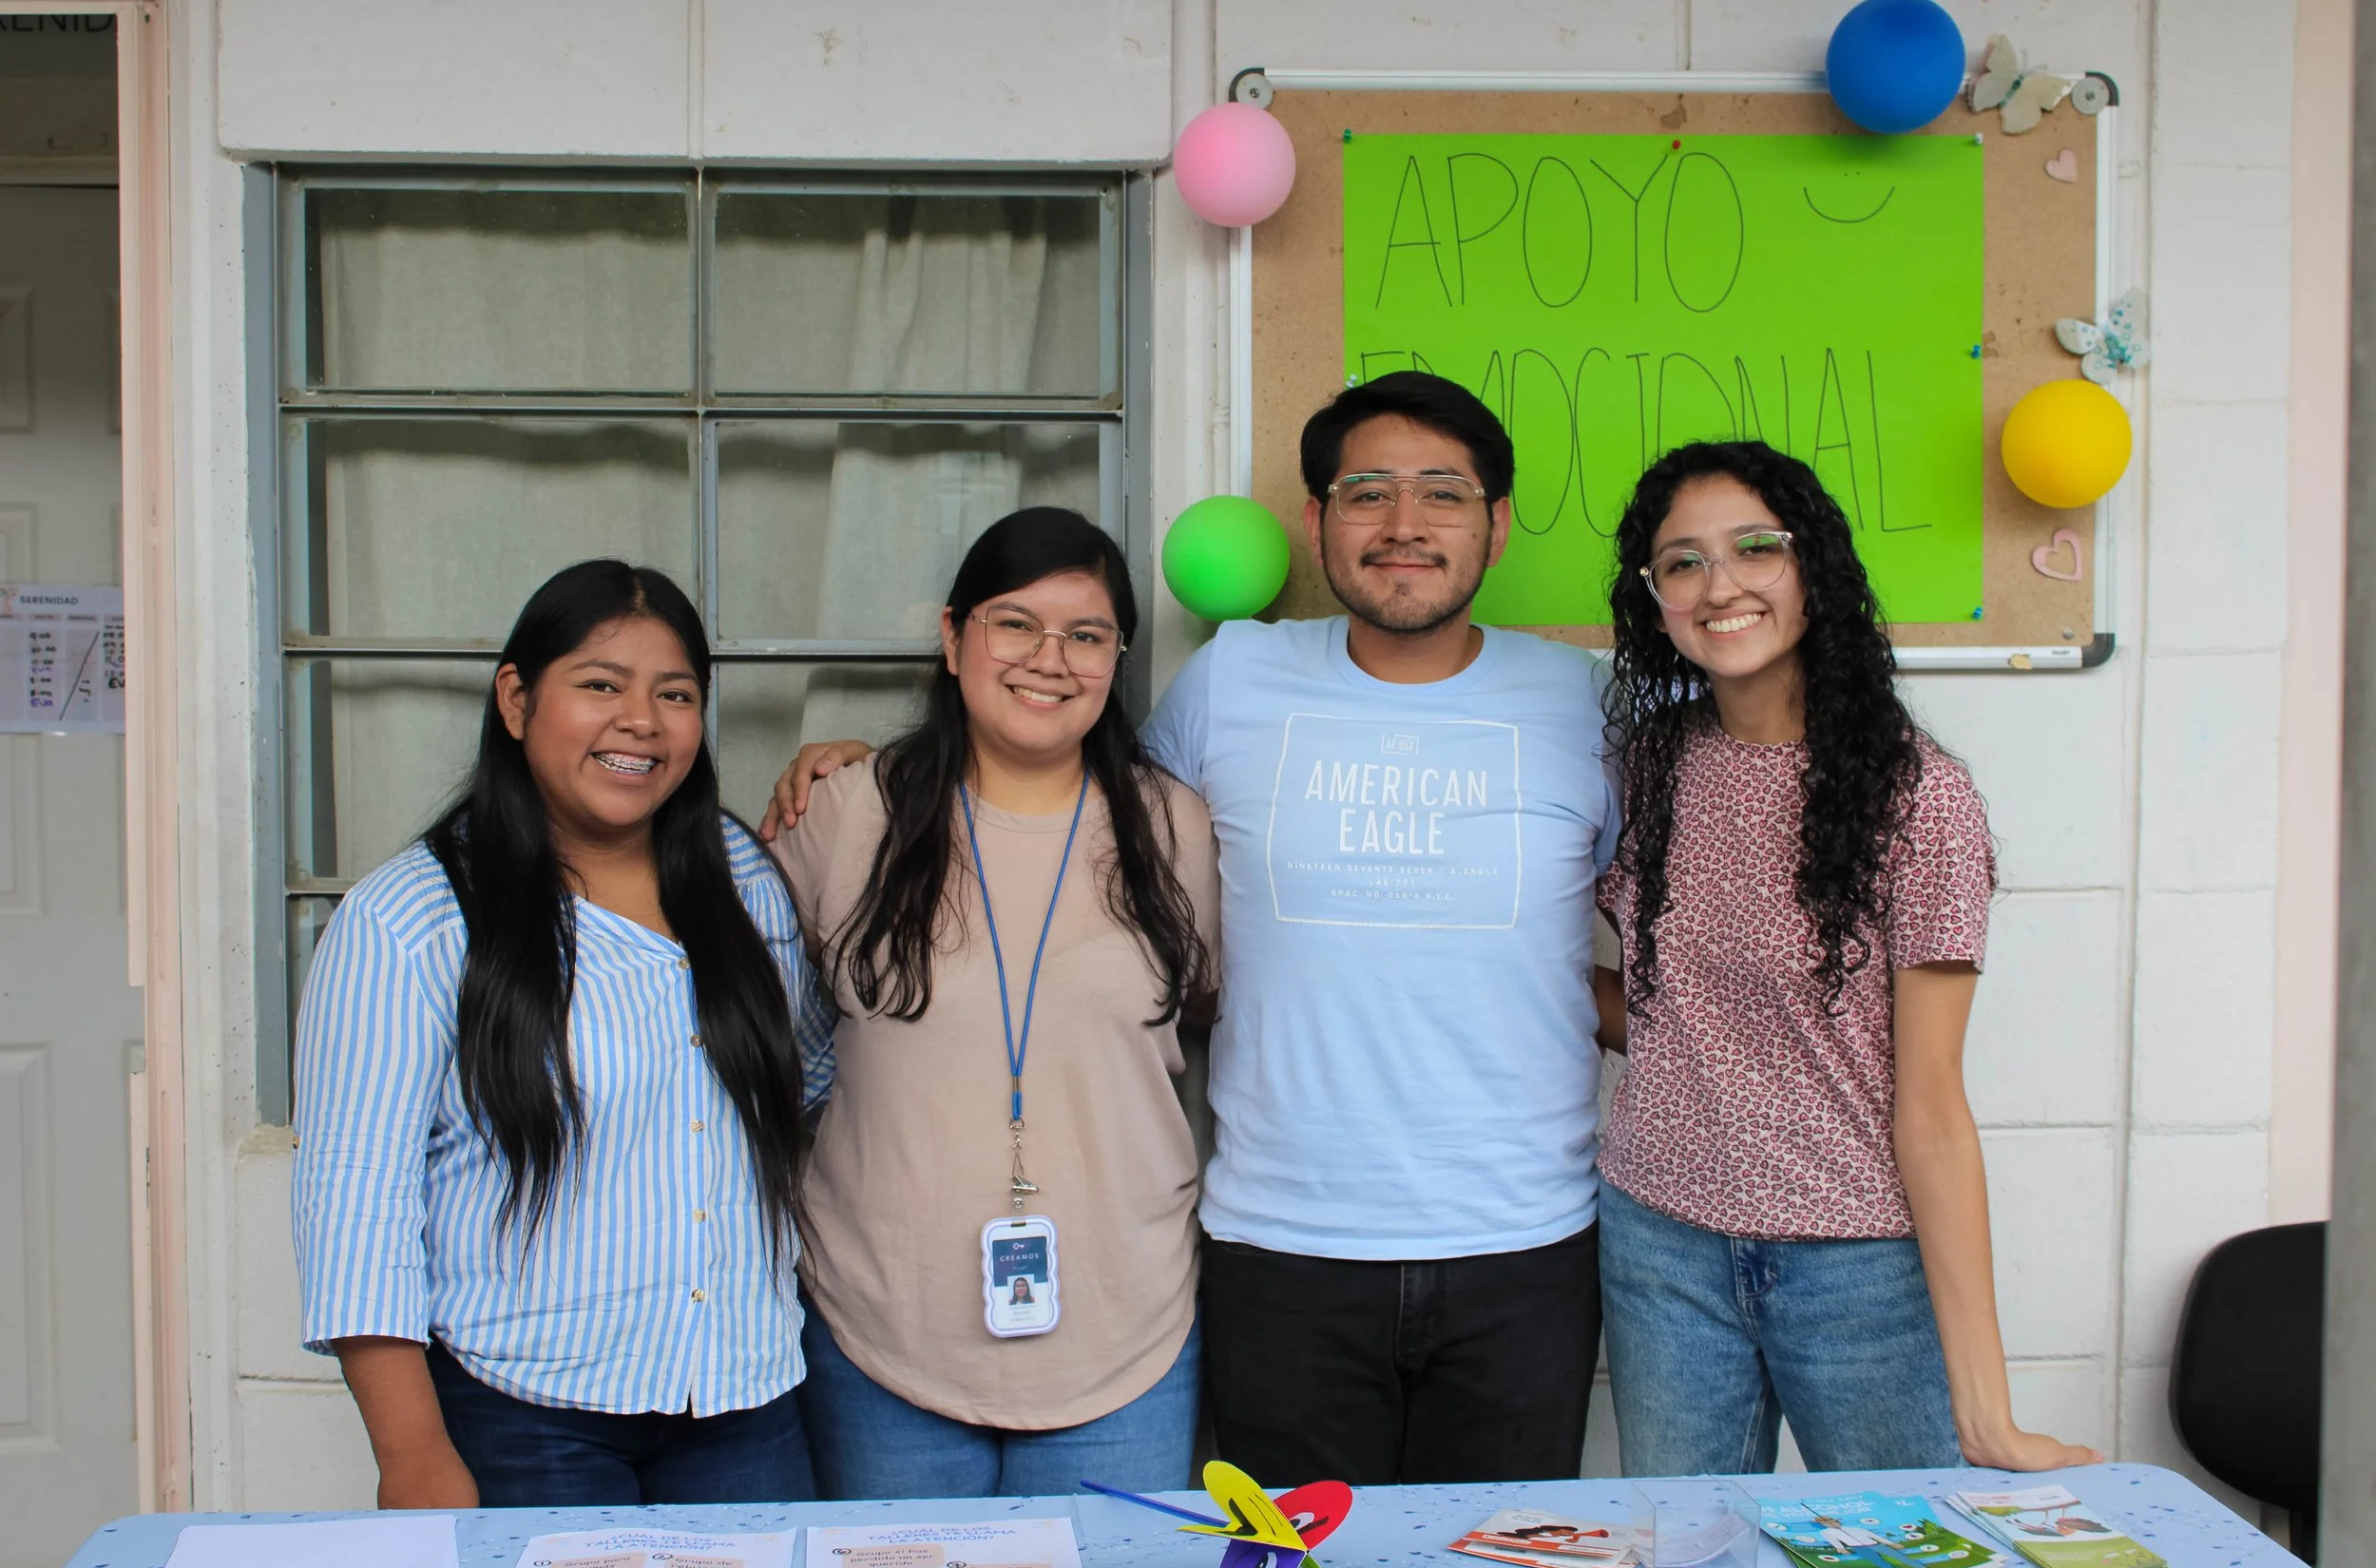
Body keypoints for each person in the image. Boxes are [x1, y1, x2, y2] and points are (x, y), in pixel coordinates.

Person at [764, 374, 1619, 1485]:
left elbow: (1652, 936)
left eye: (1442, 494)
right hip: (1277, 1239)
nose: (1404, 525)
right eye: (1368, 491)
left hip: (1528, 1236)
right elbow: (1078, 819)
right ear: (1314, 523)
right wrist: (857, 769)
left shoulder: (1586, 703)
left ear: (1496, 525)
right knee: (1290, 1567)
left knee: (1493, 1562)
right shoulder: (1233, 681)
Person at [1593, 439, 2098, 1476]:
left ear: (1812, 570)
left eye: (1754, 548)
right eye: (1681, 562)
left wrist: (1987, 1412)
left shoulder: (1916, 798)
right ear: (1653, 603)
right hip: (1659, 1246)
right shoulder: (1645, 767)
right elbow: (1669, 1008)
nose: (1718, 584)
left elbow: (1934, 1107)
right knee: (1686, 1555)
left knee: (1901, 1554)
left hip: (1856, 1262)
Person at [291, 561, 834, 1508]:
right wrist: (413, 1453)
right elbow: (355, 1205)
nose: (641, 720)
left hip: (749, 1403)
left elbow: (816, 1074)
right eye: (599, 684)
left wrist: (863, 782)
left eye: (675, 694)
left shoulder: (743, 876)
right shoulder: (411, 919)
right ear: (515, 697)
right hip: (525, 1417)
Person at [772, 507, 1218, 1499]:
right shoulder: (849, 812)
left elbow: (1215, 1006)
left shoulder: (1172, 826)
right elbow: (736, 1013)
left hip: (1122, 1332)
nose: (1048, 659)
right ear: (951, 637)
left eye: (1087, 634)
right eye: (1014, 623)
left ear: (1117, 656)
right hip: (879, 1325)